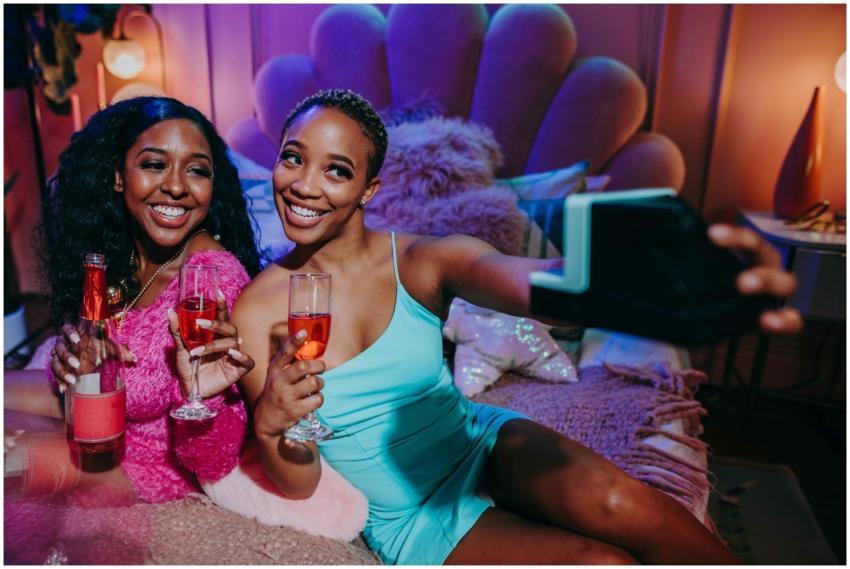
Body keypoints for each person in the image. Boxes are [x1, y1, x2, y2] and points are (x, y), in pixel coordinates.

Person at [232, 89, 803, 564]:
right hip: (410, 515)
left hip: (478, 441)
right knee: (603, 562)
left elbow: (534, 286)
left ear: (368, 189)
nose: (305, 185)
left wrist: (656, 271)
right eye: (292, 158)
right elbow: (300, 483)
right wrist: (271, 428)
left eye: (337, 170)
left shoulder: (425, 259)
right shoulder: (256, 311)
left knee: (620, 501)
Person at [5, 96, 261, 503]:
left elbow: (211, 461)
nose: (176, 186)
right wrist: (74, 365)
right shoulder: (117, 253)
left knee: (11, 466)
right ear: (118, 177)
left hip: (148, 469)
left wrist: (205, 393)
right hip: (93, 426)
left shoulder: (209, 282)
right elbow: (89, 389)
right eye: (154, 164)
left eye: (196, 170)